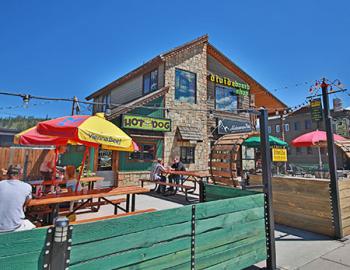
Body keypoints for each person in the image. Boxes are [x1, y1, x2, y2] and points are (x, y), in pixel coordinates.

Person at [0, 165, 35, 232]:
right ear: (20, 174)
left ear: (8, 174)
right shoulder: (27, 187)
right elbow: (27, 202)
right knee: (32, 225)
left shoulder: (1, 184)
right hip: (15, 226)